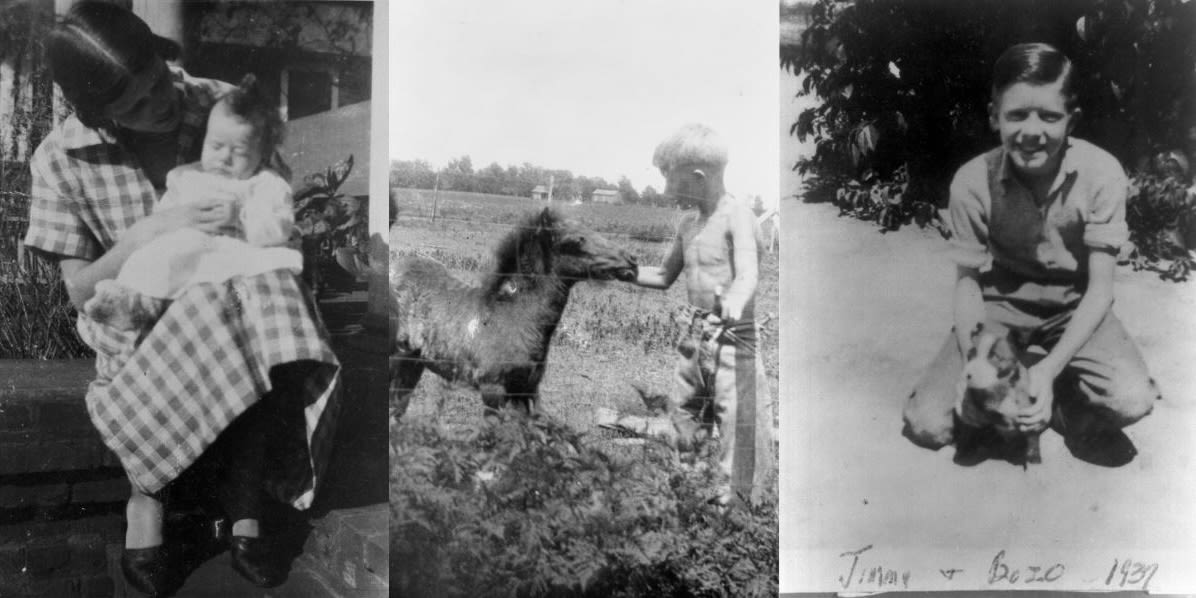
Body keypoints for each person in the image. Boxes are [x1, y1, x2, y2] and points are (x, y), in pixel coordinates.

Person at [26, 3, 341, 594]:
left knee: (260, 309)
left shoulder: (226, 107)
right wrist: (153, 230)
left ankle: (244, 505)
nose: (162, 105)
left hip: (233, 298)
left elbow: (281, 219)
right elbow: (80, 289)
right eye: (137, 106)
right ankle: (146, 500)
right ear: (98, 115)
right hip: (138, 315)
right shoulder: (59, 161)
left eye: (158, 82)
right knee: (174, 319)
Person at [902, 43, 1159, 466]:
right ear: (994, 116)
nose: (1032, 131)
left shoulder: (1103, 174)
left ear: (1072, 120)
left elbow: (1100, 290)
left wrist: (1049, 369)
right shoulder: (971, 181)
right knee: (929, 424)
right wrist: (973, 371)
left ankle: (1053, 396)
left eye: (1050, 116)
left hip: (1075, 305)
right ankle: (1014, 380)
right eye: (1017, 115)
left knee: (1131, 400)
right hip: (1001, 305)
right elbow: (967, 286)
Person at [83, 74, 303, 331]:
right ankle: (131, 303)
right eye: (216, 145)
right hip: (185, 254)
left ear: (262, 155)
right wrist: (173, 222)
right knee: (150, 257)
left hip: (235, 258)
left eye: (240, 152)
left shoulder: (265, 183)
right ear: (205, 139)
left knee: (265, 278)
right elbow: (162, 217)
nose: (224, 158)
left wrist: (241, 217)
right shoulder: (187, 176)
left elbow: (278, 227)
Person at [633, 123, 776, 507]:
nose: (664, 190)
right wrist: (619, 269)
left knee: (741, 429)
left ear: (699, 177)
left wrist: (735, 299)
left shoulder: (738, 217)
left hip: (733, 338)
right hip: (692, 338)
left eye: (669, 179)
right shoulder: (687, 225)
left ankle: (745, 513)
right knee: (686, 421)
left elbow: (748, 272)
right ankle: (691, 501)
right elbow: (664, 276)